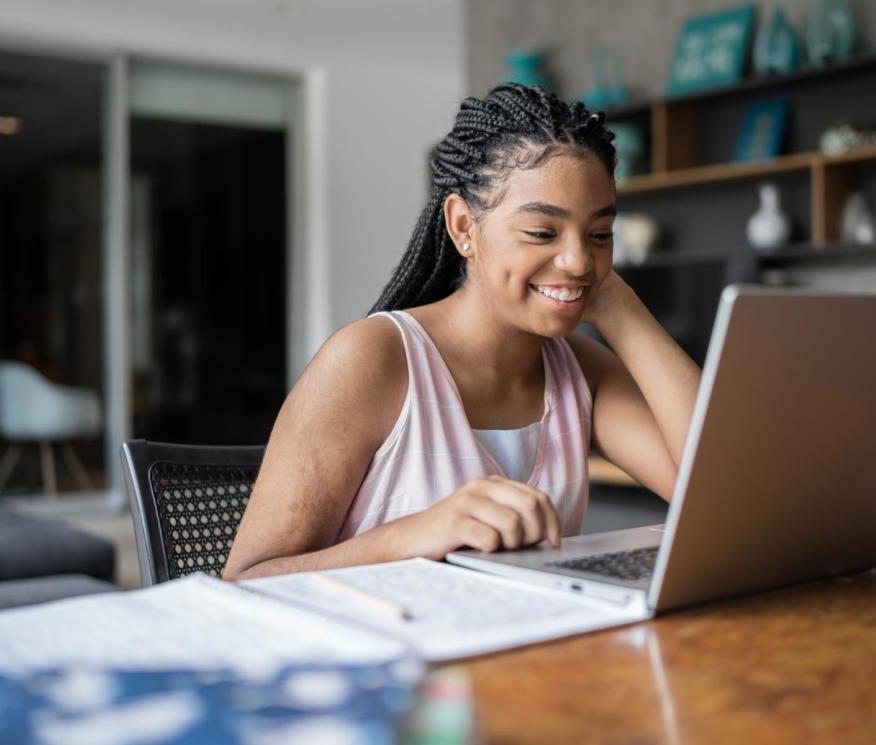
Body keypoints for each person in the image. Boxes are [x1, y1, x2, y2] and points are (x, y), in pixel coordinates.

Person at [223, 84, 701, 581]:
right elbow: (245, 581)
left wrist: (624, 311)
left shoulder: (580, 370)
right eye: (542, 232)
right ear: (463, 227)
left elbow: (714, 494)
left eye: (600, 234)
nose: (579, 260)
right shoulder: (372, 359)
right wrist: (415, 534)